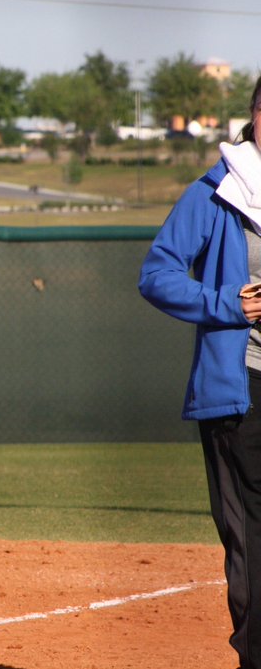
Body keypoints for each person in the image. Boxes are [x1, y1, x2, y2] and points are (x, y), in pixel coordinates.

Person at [138, 76, 261, 669]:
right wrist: (227, 303)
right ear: (257, 117)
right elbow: (157, 272)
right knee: (250, 532)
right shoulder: (217, 191)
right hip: (241, 384)